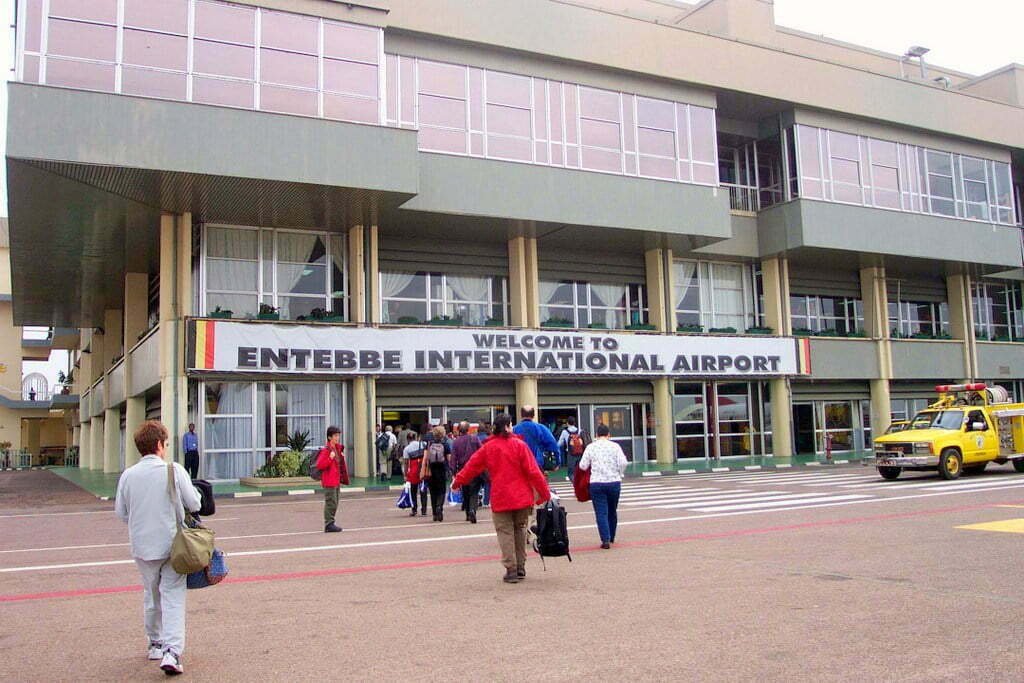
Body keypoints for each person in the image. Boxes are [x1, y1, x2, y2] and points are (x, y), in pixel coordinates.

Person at [114, 419, 202, 676]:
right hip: (172, 545)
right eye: (165, 443)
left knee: (151, 594)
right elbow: (194, 503)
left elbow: (121, 512)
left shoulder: (128, 476)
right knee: (173, 596)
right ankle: (172, 652)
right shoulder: (173, 471)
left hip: (142, 546)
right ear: (159, 445)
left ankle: (155, 642)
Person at [452, 413, 551, 583]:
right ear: (507, 427)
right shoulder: (520, 445)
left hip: (501, 497)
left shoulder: (488, 448)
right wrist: (545, 493)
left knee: (505, 532)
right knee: (520, 530)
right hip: (521, 497)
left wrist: (458, 481)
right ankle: (521, 566)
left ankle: (511, 569)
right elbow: (534, 472)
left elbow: (472, 466)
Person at [578, 424, 628, 549]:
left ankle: (605, 539)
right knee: (612, 510)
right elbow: (623, 462)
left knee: (601, 512)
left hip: (597, 483)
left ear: (596, 435)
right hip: (614, 482)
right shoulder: (615, 446)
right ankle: (611, 536)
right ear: (609, 434)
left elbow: (582, 465)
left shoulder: (591, 447)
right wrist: (619, 473)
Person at [315, 426, 349, 532]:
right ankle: (329, 523)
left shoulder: (337, 449)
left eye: (338, 435)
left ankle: (331, 522)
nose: (337, 438)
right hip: (329, 480)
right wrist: (330, 457)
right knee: (331, 502)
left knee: (335, 502)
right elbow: (320, 465)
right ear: (329, 437)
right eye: (335, 435)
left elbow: (340, 465)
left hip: (336, 480)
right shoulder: (326, 450)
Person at [450, 421, 483, 523]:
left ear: (459, 430)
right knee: (474, 491)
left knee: (465, 491)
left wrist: (453, 472)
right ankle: (473, 509)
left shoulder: (456, 442)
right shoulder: (474, 438)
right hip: (474, 467)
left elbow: (453, 458)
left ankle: (468, 512)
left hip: (462, 469)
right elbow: (482, 451)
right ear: (468, 429)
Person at [512, 405, 559, 471]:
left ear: (521, 415)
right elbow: (553, 445)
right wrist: (557, 462)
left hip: (520, 464)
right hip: (537, 463)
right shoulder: (541, 428)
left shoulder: (514, 429)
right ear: (533, 415)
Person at [421, 425, 451, 522]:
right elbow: (449, 459)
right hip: (442, 469)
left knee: (433, 492)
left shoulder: (429, 444)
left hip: (431, 469)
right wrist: (450, 469)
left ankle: (434, 513)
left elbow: (425, 458)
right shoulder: (445, 444)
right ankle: (439, 507)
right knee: (442, 491)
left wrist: (422, 469)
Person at [402, 431, 427, 517]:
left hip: (413, 471)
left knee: (413, 491)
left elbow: (405, 463)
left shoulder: (407, 449)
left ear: (408, 439)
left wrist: (405, 475)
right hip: (422, 470)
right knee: (423, 490)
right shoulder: (423, 444)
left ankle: (414, 509)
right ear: (415, 438)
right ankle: (424, 510)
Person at [557, 416, 588, 480]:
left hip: (570, 454)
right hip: (580, 453)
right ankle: (580, 484)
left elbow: (559, 444)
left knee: (571, 472)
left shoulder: (565, 432)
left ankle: (574, 483)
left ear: (567, 423)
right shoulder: (580, 431)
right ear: (574, 423)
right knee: (579, 470)